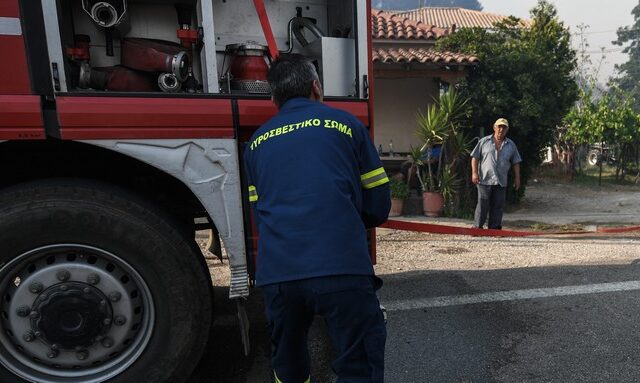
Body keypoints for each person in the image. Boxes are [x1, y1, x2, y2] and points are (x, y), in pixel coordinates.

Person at [243, 54, 390, 383]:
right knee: (358, 362)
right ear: (316, 87)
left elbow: (259, 211)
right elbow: (378, 201)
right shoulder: (347, 125)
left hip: (279, 275)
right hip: (340, 266)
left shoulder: (255, 144)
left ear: (273, 98)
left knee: (289, 364)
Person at [470, 118, 522, 229]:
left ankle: (494, 229)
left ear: (507, 129)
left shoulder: (511, 145)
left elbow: (516, 162)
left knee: (498, 205)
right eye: (499, 126)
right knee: (483, 204)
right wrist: (474, 173)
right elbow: (475, 157)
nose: (501, 129)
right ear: (494, 127)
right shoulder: (484, 141)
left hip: (501, 181)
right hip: (484, 179)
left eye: (504, 127)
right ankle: (477, 228)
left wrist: (517, 178)